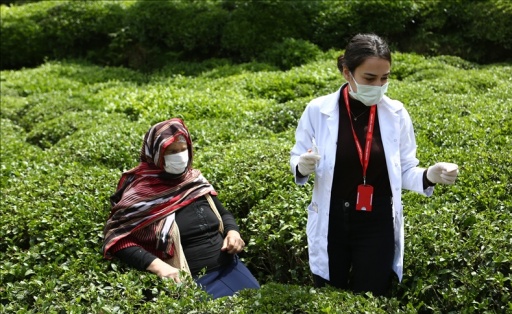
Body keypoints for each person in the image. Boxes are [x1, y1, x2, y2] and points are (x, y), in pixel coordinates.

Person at [289, 33, 459, 296]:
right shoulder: (317, 110)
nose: (378, 85)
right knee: (328, 294)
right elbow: (296, 156)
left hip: (377, 220)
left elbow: (403, 170)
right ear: (347, 72)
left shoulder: (397, 113)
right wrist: (302, 165)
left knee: (373, 296)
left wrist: (430, 175)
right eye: (370, 78)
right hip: (332, 216)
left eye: (385, 78)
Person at [102, 118, 260, 299]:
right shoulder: (140, 192)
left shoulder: (194, 181)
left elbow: (223, 214)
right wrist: (157, 266)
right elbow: (117, 239)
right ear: (156, 154)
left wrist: (233, 232)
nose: (180, 155)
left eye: (183, 149)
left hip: (231, 267)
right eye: (171, 151)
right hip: (193, 278)